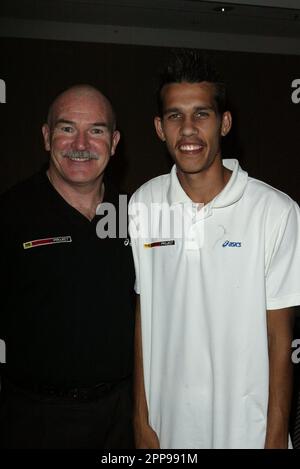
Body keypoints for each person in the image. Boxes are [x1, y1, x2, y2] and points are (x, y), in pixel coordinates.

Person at [129, 50, 300, 449]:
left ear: (224, 122)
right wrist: (141, 420)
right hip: (166, 431)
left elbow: (280, 336)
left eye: (201, 114)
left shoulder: (275, 211)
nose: (187, 130)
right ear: (159, 127)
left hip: (247, 433)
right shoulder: (143, 203)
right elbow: (145, 314)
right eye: (175, 116)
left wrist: (275, 439)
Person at [0, 84, 135, 448]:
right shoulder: (10, 214)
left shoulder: (136, 215)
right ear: (46, 137)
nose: (80, 144)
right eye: (66, 128)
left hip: (122, 415)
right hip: (36, 418)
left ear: (115, 141)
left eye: (96, 130)